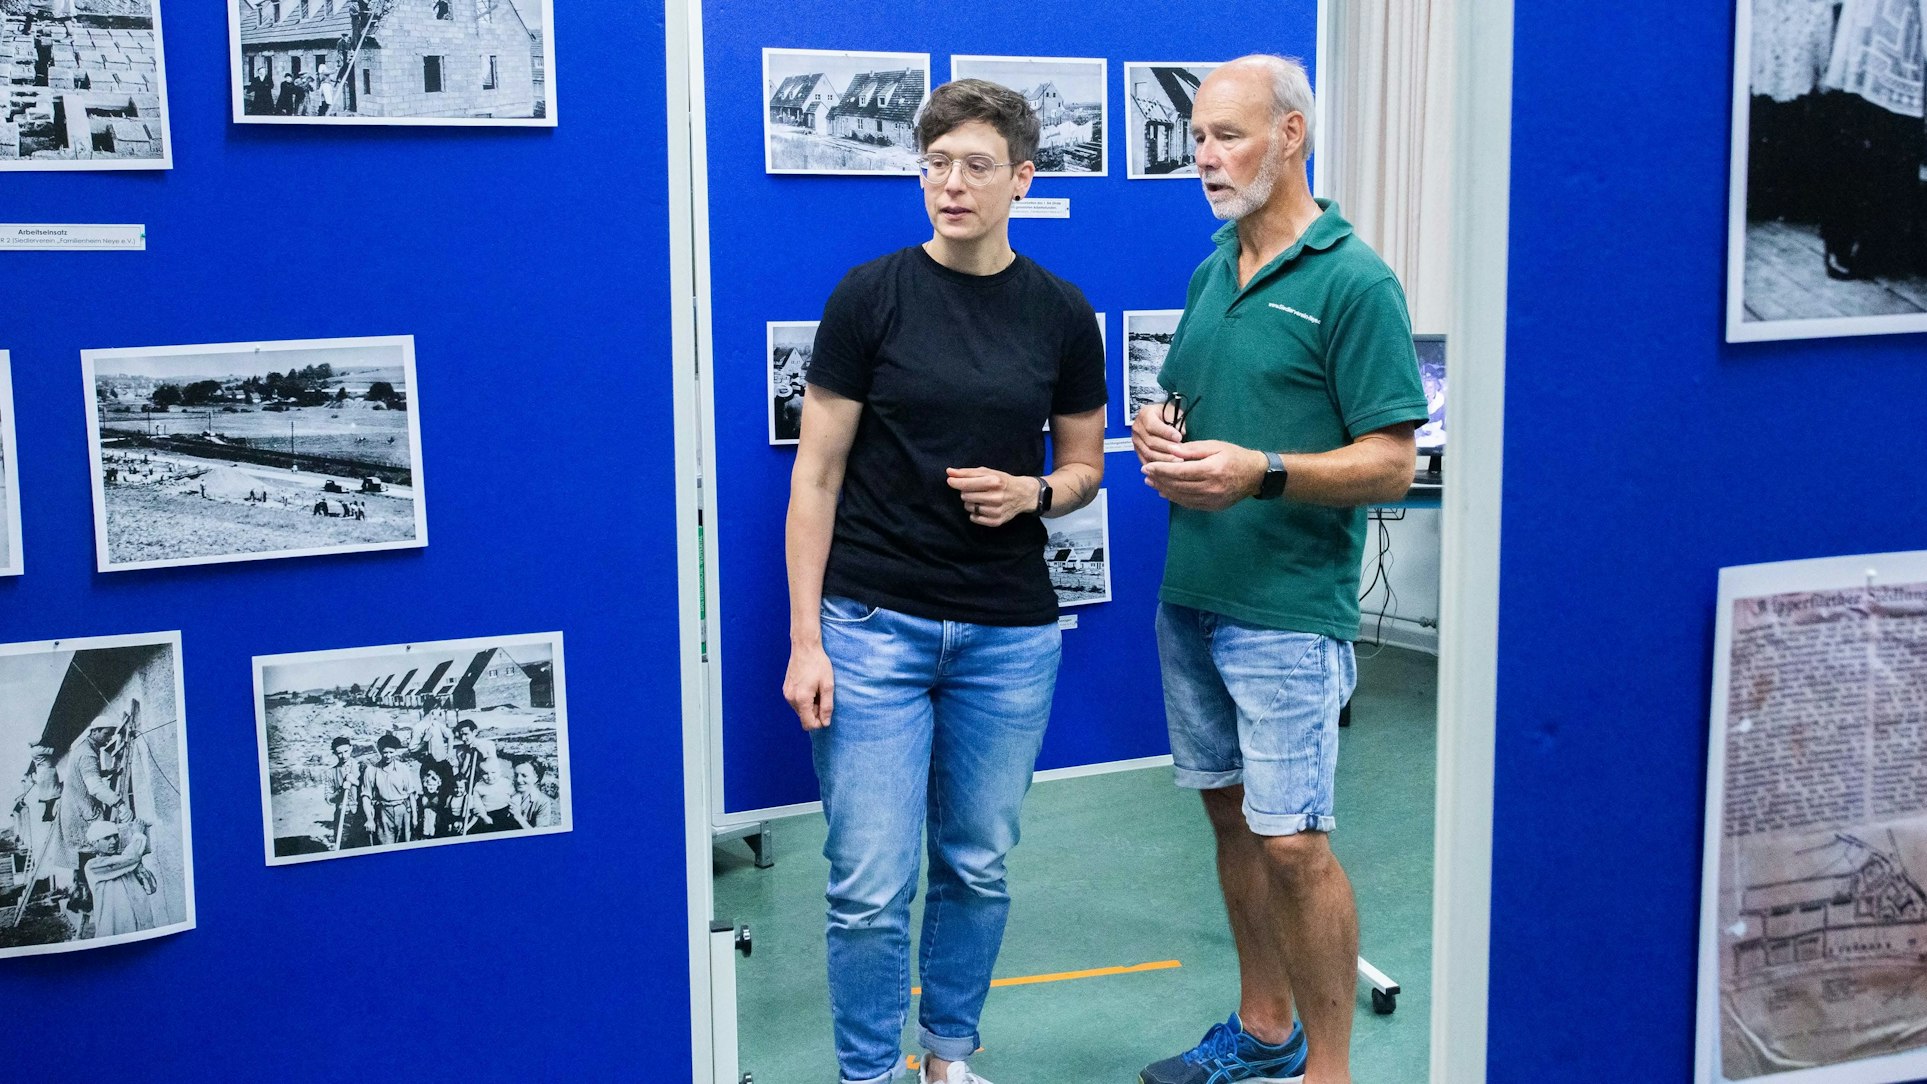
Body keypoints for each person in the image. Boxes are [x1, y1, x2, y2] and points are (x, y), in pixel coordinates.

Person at [782, 78, 1106, 1084]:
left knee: (975, 864)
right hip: (872, 622)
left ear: (1022, 178)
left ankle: (947, 1056)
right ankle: (869, 1072)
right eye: (935, 164)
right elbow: (816, 475)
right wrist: (805, 639)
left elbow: (1086, 468)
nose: (951, 185)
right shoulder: (868, 295)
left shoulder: (1059, 312)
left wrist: (1033, 495)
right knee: (868, 884)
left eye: (974, 166)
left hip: (1007, 635)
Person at [1131, 56, 1428, 1084]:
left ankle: (1330, 1071)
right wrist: (1162, 437)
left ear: (1291, 135)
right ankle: (1265, 1030)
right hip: (1194, 595)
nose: (1204, 157)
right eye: (1197, 139)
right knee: (1229, 814)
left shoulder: (1354, 279)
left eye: (1226, 136)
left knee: (1295, 843)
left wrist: (1260, 472)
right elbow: (1191, 405)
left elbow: (1394, 458)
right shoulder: (1214, 268)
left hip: (1288, 611)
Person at [82, 819, 155, 938]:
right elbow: (129, 858)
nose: (113, 841)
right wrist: (138, 835)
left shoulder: (125, 864)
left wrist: (139, 868)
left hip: (138, 923)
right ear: (95, 843)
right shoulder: (93, 866)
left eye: (115, 836)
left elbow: (151, 888)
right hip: (114, 926)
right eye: (107, 838)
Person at [358, 734, 420, 846]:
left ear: (396, 751)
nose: (388, 756)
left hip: (403, 810)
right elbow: (366, 796)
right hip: (383, 812)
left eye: (391, 752)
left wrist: (414, 817)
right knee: (385, 846)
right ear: (380, 751)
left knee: (405, 846)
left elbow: (411, 794)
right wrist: (369, 819)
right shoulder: (371, 770)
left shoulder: (403, 769)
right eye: (385, 752)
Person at [324, 736, 361, 850]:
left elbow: (370, 790)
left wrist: (355, 782)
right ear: (335, 753)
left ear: (351, 748)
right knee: (343, 846)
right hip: (342, 816)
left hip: (361, 814)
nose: (344, 756)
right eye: (339, 753)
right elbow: (328, 798)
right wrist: (340, 791)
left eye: (346, 751)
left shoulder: (362, 766)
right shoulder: (330, 772)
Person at [506, 757, 557, 829]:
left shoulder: (542, 802)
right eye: (516, 775)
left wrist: (519, 817)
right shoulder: (507, 792)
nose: (518, 780)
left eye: (524, 776)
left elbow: (540, 834)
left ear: (536, 778)